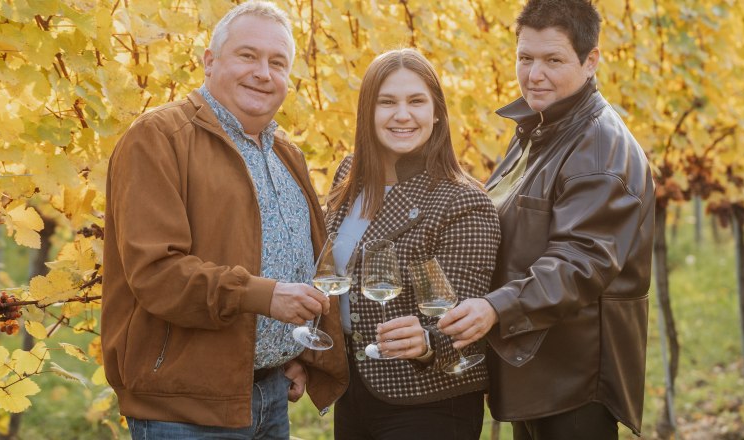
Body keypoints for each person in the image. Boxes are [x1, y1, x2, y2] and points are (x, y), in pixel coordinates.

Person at [101, 2, 347, 438]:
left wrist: (291, 351)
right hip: (183, 409)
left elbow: (296, 261)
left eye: (277, 63)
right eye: (247, 56)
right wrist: (265, 297)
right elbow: (157, 273)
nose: (263, 73)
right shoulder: (158, 138)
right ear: (210, 62)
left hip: (268, 395)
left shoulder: (286, 154)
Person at [437, 0, 656, 438]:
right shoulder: (541, 129)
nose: (534, 75)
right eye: (525, 58)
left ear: (590, 60)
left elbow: (579, 264)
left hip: (572, 382)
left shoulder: (599, 149)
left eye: (553, 60)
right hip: (535, 369)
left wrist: (495, 306)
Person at [324, 48, 500, 439]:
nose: (402, 115)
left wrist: (426, 340)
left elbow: (464, 320)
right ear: (367, 113)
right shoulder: (349, 178)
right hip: (353, 391)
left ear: (436, 113)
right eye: (387, 102)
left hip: (429, 401)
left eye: (416, 101)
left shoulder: (463, 200)